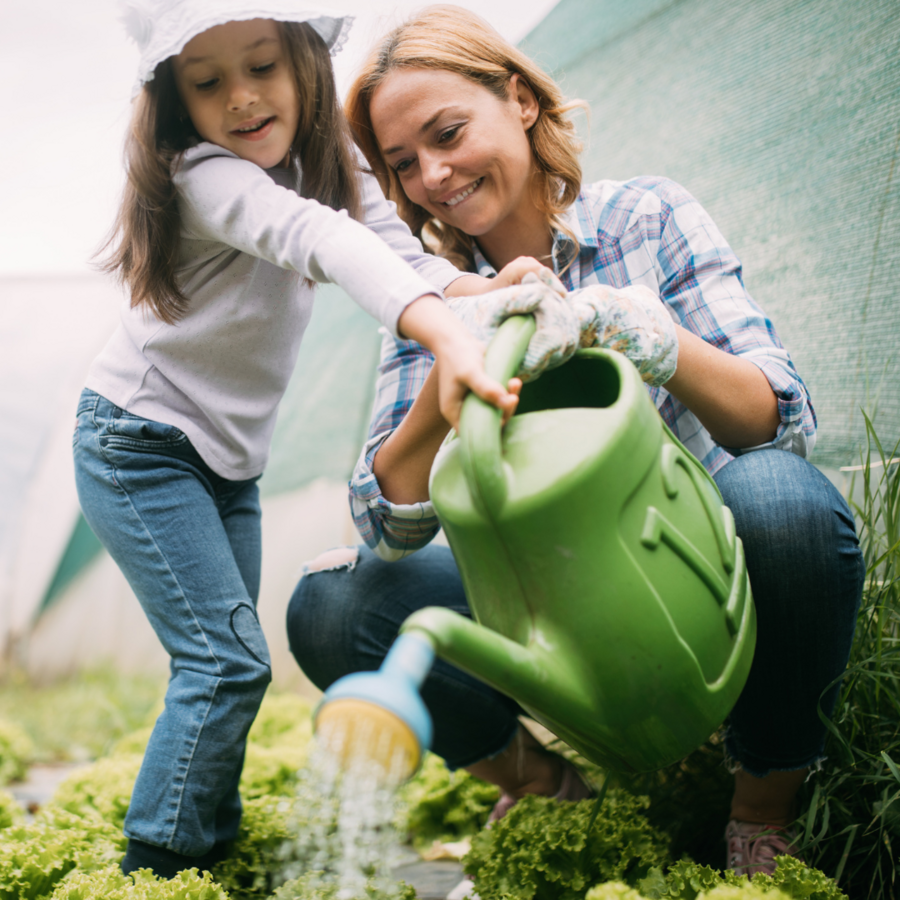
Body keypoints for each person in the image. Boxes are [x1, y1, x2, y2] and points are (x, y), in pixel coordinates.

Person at [286, 5, 865, 882]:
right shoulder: (427, 303)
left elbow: (781, 421)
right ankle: (548, 787)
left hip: (684, 578)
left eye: (448, 134)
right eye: (402, 165)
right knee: (332, 603)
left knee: (784, 500)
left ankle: (759, 812)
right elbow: (388, 530)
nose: (433, 176)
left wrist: (651, 339)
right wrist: (445, 383)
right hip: (539, 605)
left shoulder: (647, 217)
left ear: (517, 98)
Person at [71, 0, 547, 879]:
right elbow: (315, 237)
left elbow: (385, 245)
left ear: (301, 63)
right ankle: (159, 870)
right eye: (208, 82)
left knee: (229, 663)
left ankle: (208, 844)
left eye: (261, 68)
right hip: (136, 447)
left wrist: (475, 294)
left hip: (223, 465)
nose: (242, 99)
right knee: (225, 663)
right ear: (176, 100)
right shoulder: (203, 176)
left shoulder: (325, 162)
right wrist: (444, 333)